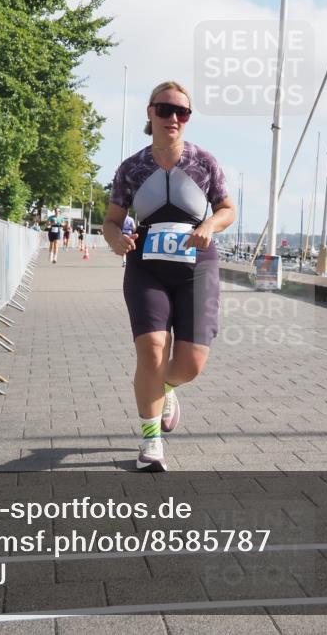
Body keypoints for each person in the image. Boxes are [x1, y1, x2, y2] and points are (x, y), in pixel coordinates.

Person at [104, 81, 235, 472]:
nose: (174, 118)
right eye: (165, 110)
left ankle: (165, 387)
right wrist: (114, 240)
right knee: (152, 350)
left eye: (182, 112)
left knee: (191, 362)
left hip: (198, 265)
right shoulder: (131, 167)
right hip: (147, 265)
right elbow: (111, 221)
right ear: (150, 113)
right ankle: (150, 441)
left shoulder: (204, 162)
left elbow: (228, 209)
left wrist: (211, 224)